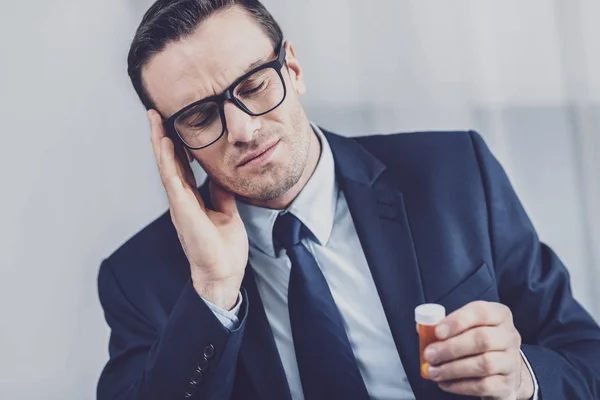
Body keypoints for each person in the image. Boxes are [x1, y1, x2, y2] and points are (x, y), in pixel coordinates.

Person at [97, 0, 600, 399]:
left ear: (291, 68)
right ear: (173, 141)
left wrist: (523, 381)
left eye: (253, 85)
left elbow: (585, 357)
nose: (244, 130)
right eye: (201, 118)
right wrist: (213, 293)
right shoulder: (139, 277)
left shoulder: (456, 173)